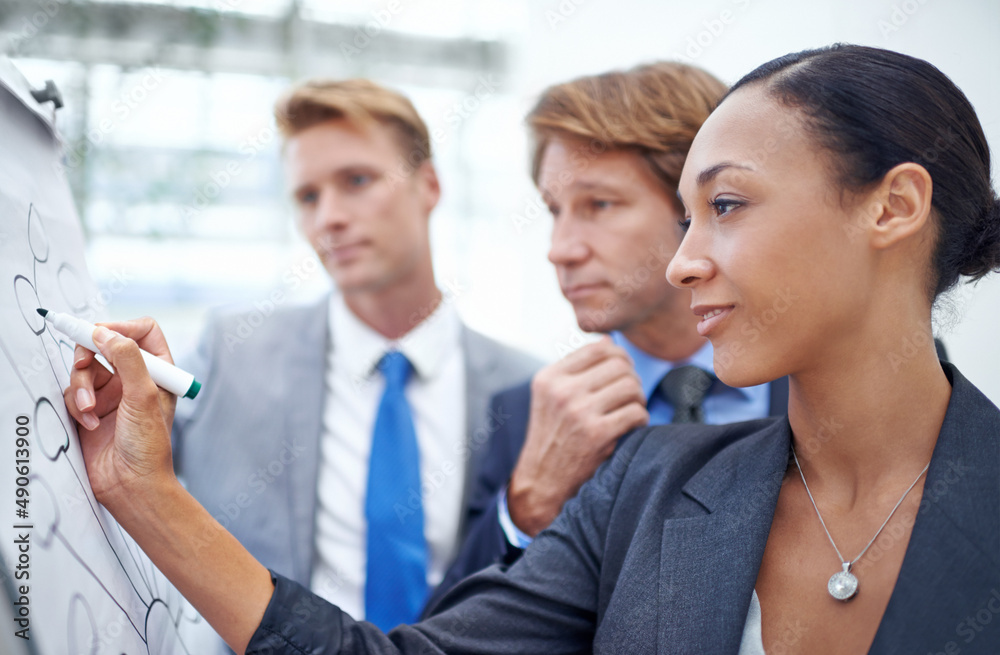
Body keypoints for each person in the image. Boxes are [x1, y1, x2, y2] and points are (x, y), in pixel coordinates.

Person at [66, 44, 999, 653]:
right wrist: (144, 492)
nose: (682, 262)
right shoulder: (645, 480)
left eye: (723, 206)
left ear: (893, 205)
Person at [167, 78, 539, 639]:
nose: (329, 219)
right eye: (308, 197)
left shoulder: (525, 386)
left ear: (429, 184)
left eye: (357, 181)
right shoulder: (230, 351)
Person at [428, 61, 792, 609]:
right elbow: (442, 635)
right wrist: (527, 504)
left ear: (696, 207)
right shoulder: (527, 418)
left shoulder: (820, 381)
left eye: (598, 205)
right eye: (555, 211)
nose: (560, 247)